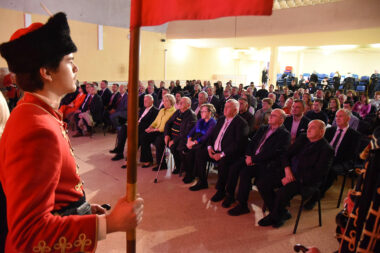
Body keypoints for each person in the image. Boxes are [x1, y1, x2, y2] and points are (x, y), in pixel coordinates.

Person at [0, 13, 143, 252]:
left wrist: (81, 211)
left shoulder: (35, 113)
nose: (76, 68)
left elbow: (52, 195)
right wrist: (109, 224)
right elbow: (29, 234)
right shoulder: (37, 129)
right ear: (46, 72)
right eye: (69, 60)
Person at [257, 120, 334, 228]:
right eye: (308, 126)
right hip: (289, 171)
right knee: (262, 183)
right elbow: (286, 155)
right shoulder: (303, 138)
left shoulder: (326, 150)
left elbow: (317, 174)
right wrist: (287, 170)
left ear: (321, 132)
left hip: (304, 180)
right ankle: (280, 213)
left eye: (313, 127)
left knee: (282, 193)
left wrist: (292, 178)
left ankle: (274, 216)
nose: (308, 129)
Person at [226, 109, 291, 214]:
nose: (270, 117)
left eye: (273, 116)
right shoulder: (263, 128)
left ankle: (242, 205)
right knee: (234, 167)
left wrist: (254, 159)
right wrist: (248, 156)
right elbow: (252, 143)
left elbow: (274, 153)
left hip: (265, 163)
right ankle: (230, 195)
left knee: (245, 173)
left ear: (281, 119)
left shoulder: (284, 134)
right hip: (251, 157)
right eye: (270, 115)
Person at [207, 99, 249, 203]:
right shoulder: (221, 119)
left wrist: (221, 154)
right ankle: (201, 181)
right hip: (216, 151)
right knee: (198, 152)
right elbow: (212, 135)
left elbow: (238, 144)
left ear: (235, 110)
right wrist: (209, 147)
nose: (224, 109)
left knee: (225, 163)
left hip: (232, 154)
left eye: (228, 107)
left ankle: (227, 194)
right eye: (225, 106)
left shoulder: (241, 123)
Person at [185, 104, 217, 191]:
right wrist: (189, 141)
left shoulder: (212, 122)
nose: (201, 113)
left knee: (199, 155)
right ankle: (191, 175)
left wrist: (193, 143)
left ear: (210, 112)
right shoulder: (201, 120)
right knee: (189, 153)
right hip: (198, 142)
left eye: (204, 111)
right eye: (201, 111)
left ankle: (202, 182)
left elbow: (206, 136)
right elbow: (192, 132)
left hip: (208, 144)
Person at [141, 94, 176, 171]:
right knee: (144, 136)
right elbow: (155, 121)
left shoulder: (174, 112)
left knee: (158, 141)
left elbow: (166, 126)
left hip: (166, 133)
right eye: (163, 101)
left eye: (166, 101)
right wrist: (150, 127)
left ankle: (162, 164)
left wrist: (154, 130)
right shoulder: (162, 110)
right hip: (157, 130)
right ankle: (148, 159)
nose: (164, 102)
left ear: (171, 102)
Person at [164, 97, 197, 177]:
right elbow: (168, 123)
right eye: (180, 101)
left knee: (178, 148)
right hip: (174, 136)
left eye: (183, 102)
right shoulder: (178, 112)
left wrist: (174, 141)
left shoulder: (191, 116)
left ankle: (185, 168)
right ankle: (179, 167)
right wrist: (166, 135)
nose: (180, 103)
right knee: (169, 145)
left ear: (188, 105)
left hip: (185, 138)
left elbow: (186, 133)